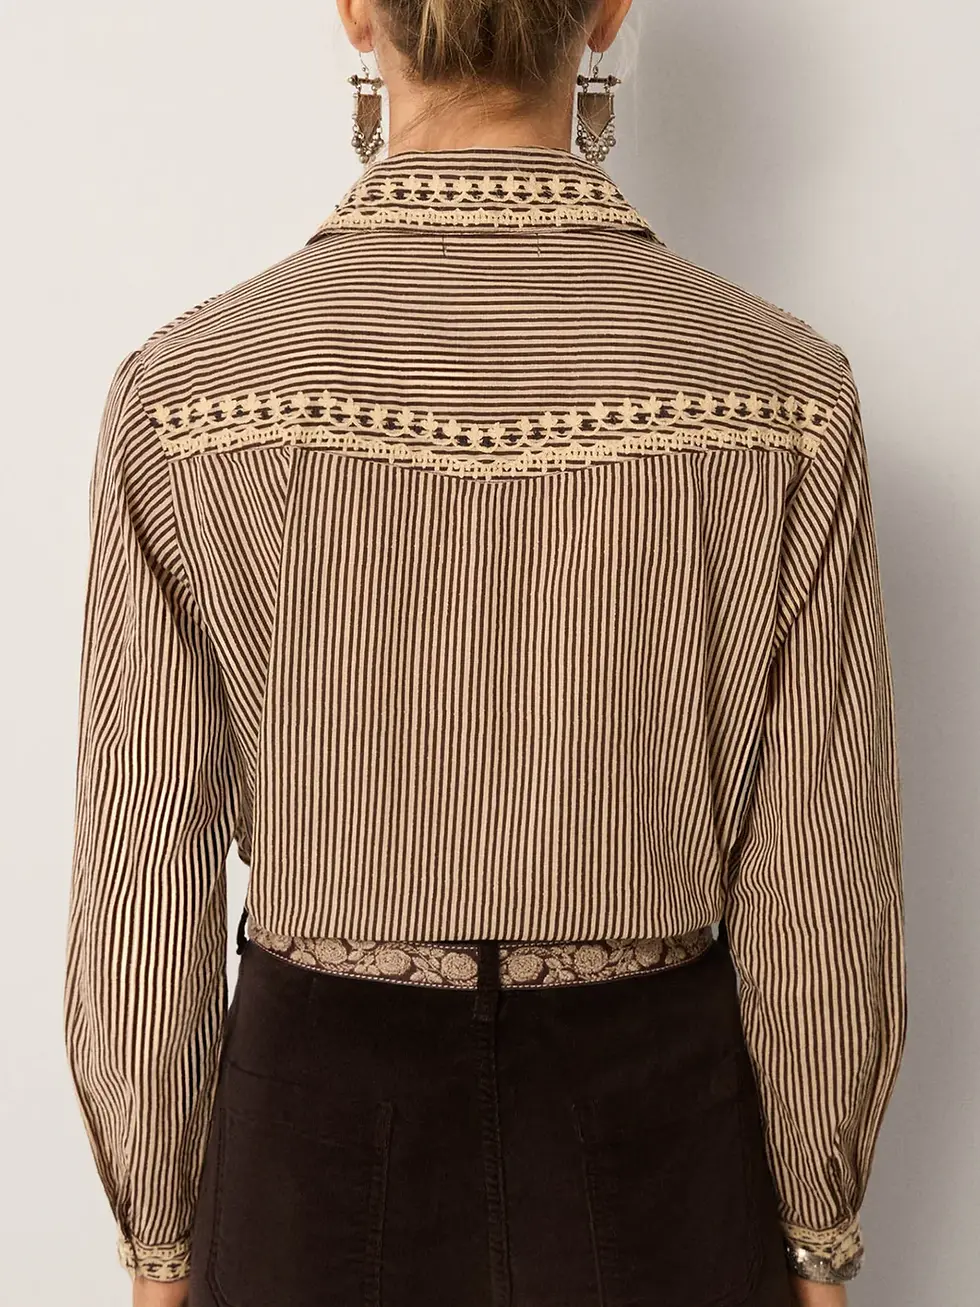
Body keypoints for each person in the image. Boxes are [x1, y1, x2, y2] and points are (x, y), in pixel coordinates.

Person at [63, 1, 908, 1305]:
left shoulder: (187, 398)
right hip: (659, 1133)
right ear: (607, 9)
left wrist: (159, 1241)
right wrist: (817, 1230)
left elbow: (144, 867)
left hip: (311, 1139)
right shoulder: (783, 397)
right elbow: (820, 870)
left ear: (357, 12)